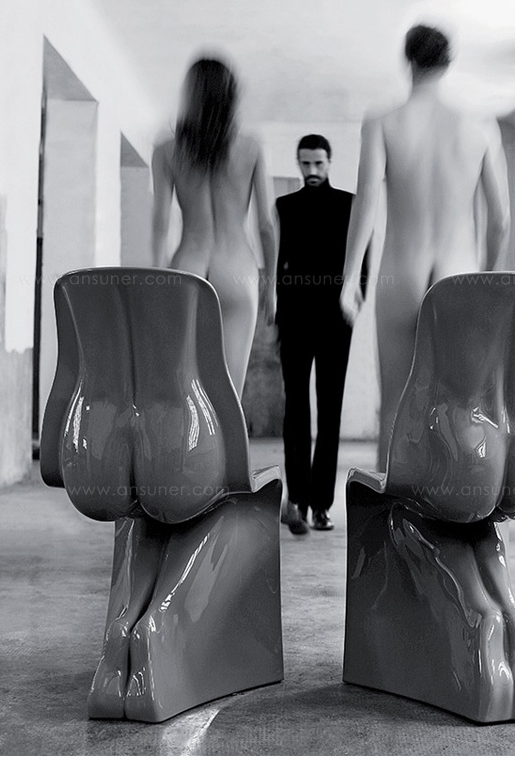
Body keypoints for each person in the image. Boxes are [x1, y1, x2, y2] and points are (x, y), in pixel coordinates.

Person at [340, 24, 511, 470]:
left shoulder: (382, 120)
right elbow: (500, 220)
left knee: (396, 407)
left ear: (409, 61)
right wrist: (488, 279)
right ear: (447, 63)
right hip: (460, 274)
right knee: (462, 406)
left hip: (401, 272)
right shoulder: (481, 125)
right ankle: (458, 505)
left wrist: (349, 278)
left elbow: (366, 201)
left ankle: (392, 509)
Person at [152, 57, 276, 395]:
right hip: (237, 271)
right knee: (228, 395)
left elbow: (161, 223)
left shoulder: (166, 150)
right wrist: (272, 286)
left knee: (184, 391)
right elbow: (266, 225)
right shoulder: (251, 147)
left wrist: (157, 279)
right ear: (231, 96)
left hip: (188, 266)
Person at [275, 135, 365, 534]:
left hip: (334, 321)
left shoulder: (349, 205)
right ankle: (297, 497)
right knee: (295, 410)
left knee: (330, 412)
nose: (312, 171)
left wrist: (355, 301)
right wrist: (277, 309)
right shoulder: (285, 207)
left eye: (318, 163)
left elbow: (361, 259)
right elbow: (277, 261)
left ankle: (322, 506)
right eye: (305, 163)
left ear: (330, 162)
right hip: (294, 319)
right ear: (298, 163)